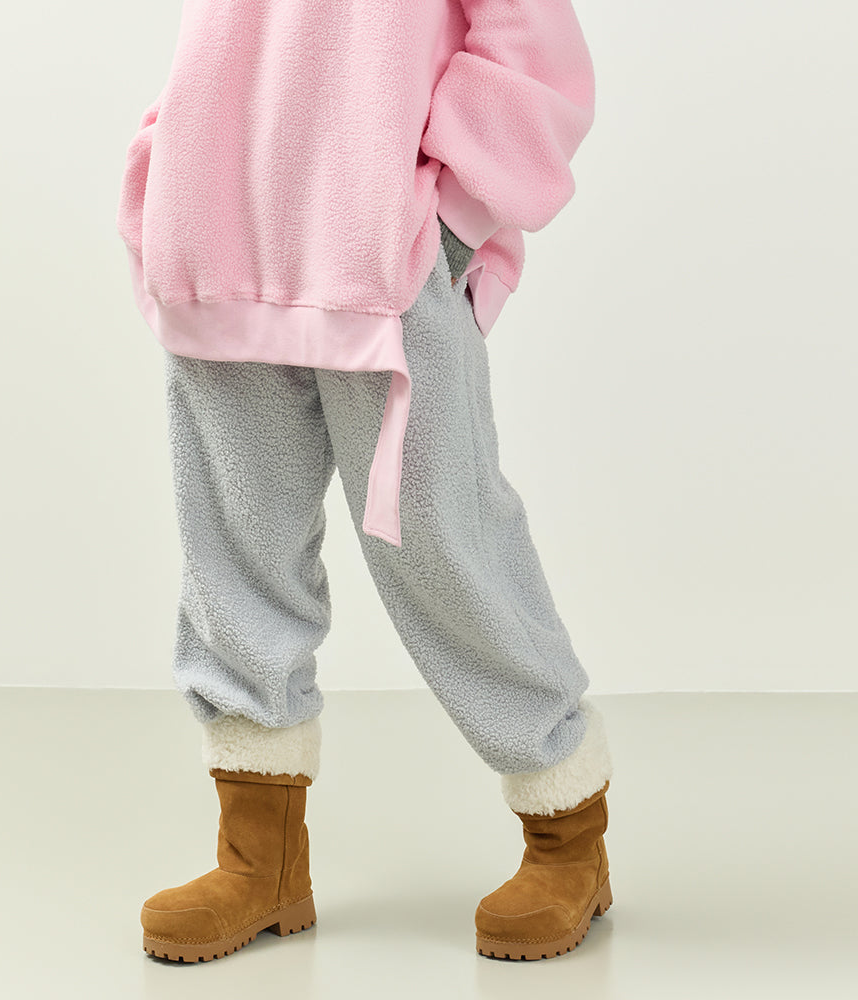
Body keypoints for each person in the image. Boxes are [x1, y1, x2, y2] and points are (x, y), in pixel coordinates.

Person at [116, 0, 613, 964]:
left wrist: (446, 219)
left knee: (444, 542)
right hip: (218, 233)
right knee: (233, 548)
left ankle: (566, 828)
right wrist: (162, 169)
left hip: (381, 255)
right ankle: (259, 859)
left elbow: (537, 50)